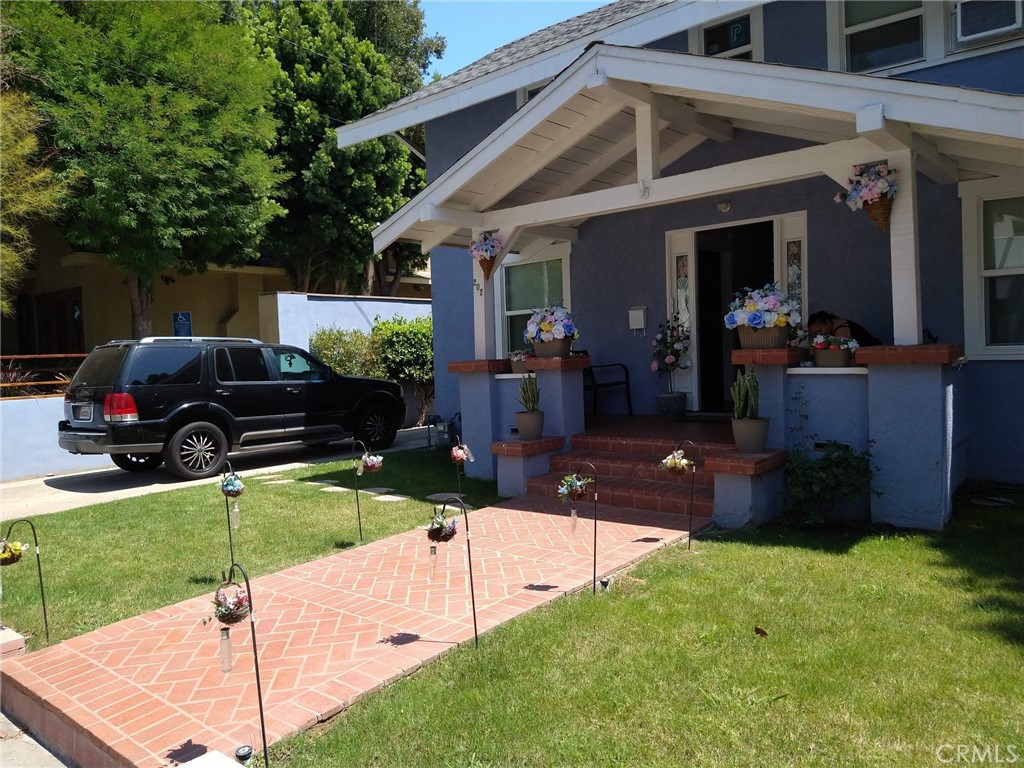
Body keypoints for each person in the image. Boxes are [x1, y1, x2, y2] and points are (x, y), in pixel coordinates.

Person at [807, 310, 881, 346]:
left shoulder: (841, 326)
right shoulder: (834, 329)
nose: (819, 335)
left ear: (827, 322)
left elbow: (843, 345)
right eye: (816, 333)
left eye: (820, 331)